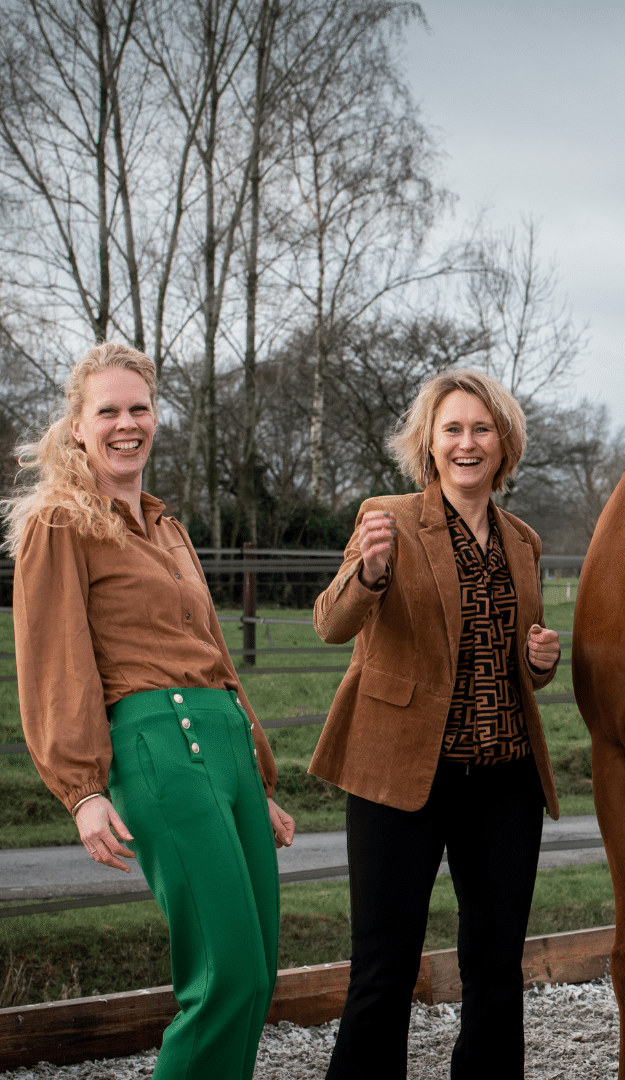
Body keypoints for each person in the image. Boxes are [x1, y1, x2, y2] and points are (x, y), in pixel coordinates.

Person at [5, 342, 295, 1080]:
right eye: (108, 411)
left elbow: (213, 655)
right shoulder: (60, 523)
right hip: (159, 744)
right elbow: (51, 661)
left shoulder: (167, 527)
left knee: (257, 978)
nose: (126, 424)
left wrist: (257, 780)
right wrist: (84, 789)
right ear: (77, 425)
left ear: (156, 416)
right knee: (224, 976)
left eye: (139, 408)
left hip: (224, 743)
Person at [309, 368, 561, 1079]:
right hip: (400, 777)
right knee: (384, 970)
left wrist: (541, 658)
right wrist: (371, 572)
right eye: (452, 428)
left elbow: (518, 660)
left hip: (505, 781)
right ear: (428, 442)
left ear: (503, 443)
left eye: (482, 428)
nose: (467, 442)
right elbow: (330, 624)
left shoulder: (523, 541)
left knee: (496, 970)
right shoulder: (386, 517)